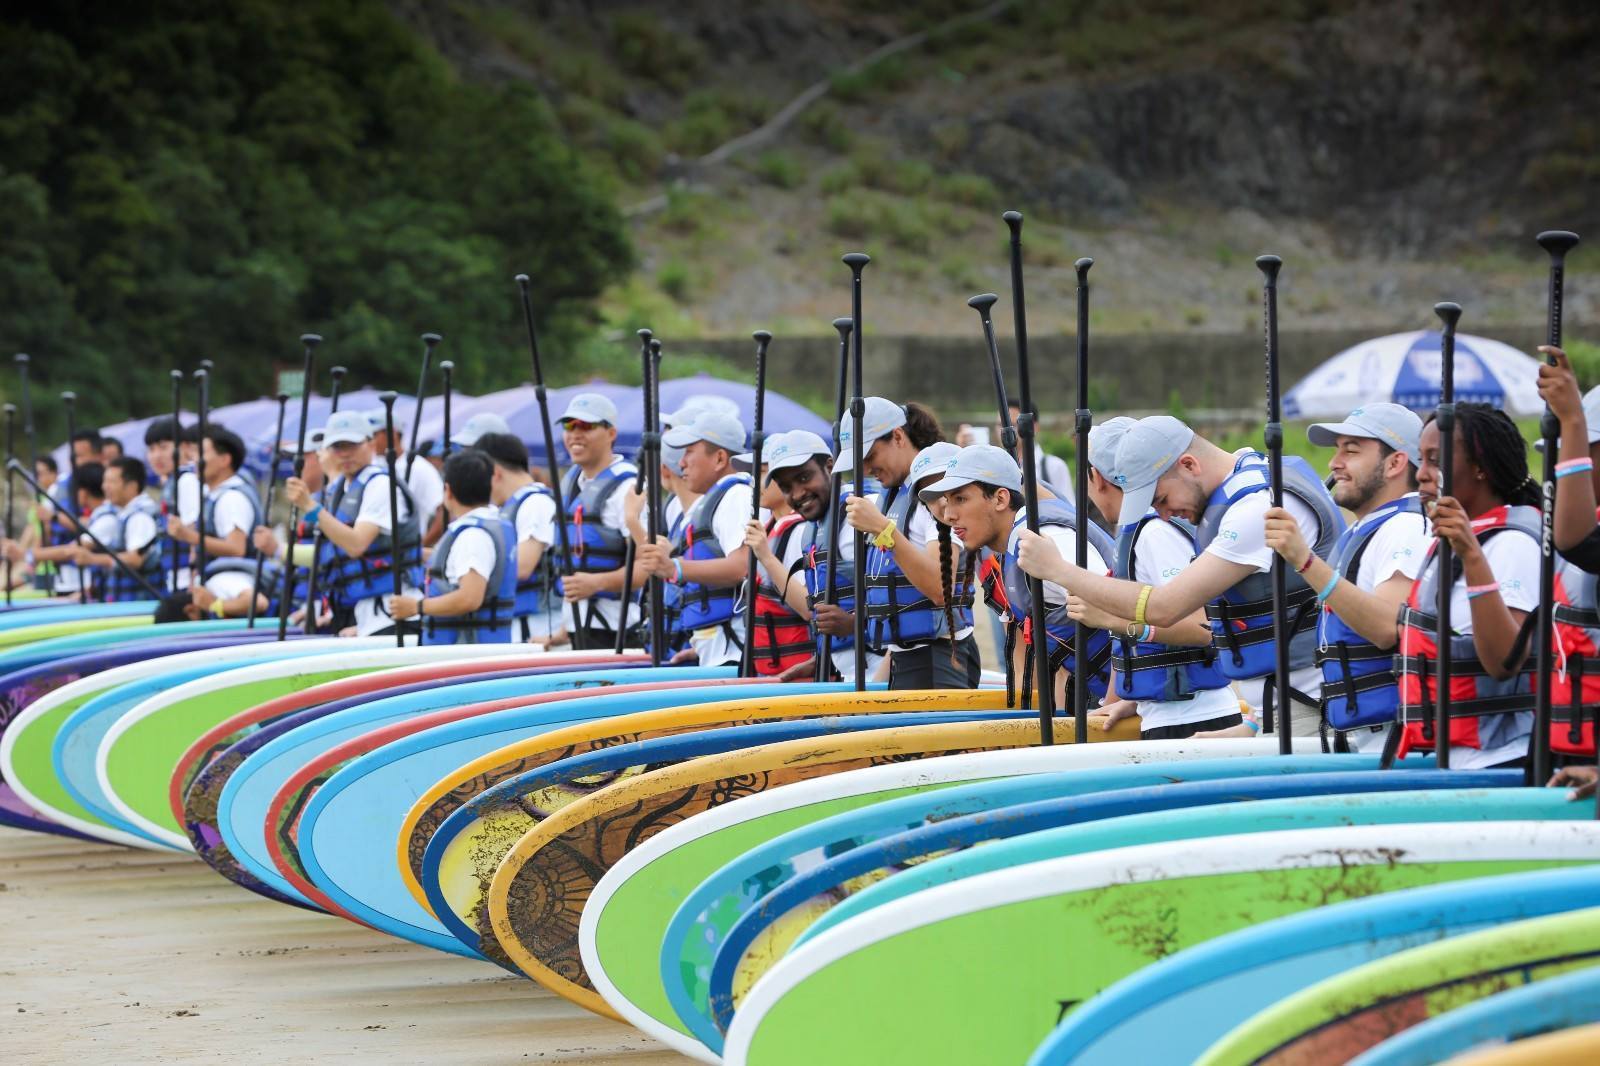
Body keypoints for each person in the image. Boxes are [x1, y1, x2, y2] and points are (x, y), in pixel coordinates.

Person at [1015, 415, 1344, 733]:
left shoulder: (1256, 508)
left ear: (1189, 465)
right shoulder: (1246, 475)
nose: (1162, 513)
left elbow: (1166, 607)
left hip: (1306, 705)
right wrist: (1249, 726)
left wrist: (1059, 570)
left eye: (1161, 499)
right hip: (1281, 706)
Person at [1259, 404, 1429, 751]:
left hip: (1398, 740)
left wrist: (1304, 560)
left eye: (1351, 451)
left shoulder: (1407, 528)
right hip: (1372, 736)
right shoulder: (1371, 528)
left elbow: (1387, 626)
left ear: (1395, 463)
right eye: (1337, 450)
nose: (1334, 463)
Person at [1393, 404, 1541, 769]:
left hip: (1504, 758)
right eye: (1421, 460)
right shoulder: (1446, 544)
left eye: (1436, 460)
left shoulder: (1512, 545)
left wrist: (1473, 557)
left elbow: (1505, 661)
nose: (1421, 474)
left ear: (1481, 468)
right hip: (1451, 757)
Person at [1074, 417, 1239, 739]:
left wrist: (1110, 619)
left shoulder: (1154, 533)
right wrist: (1131, 701)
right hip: (1166, 713)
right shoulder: (1136, 531)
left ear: (1096, 477)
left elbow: (1202, 628)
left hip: (1196, 718)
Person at [929, 443, 1108, 705]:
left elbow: (1122, 612)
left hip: (1138, 702)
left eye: (961, 499)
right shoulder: (1009, 550)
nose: (948, 514)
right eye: (946, 501)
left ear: (1001, 499)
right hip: (1107, 696)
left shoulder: (1045, 538)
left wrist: (1115, 702)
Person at [841, 398, 978, 689]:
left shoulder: (937, 490)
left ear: (898, 437)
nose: (866, 468)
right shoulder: (892, 497)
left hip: (941, 661)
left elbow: (941, 589)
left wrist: (882, 529)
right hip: (906, 660)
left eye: (870, 456)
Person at [755, 431, 882, 684]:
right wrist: (821, 660)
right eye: (786, 487)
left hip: (884, 678)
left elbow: (908, 599)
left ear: (830, 466)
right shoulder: (811, 531)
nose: (797, 494)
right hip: (847, 677)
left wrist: (854, 624)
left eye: (804, 478)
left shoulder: (865, 513)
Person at [283, 409, 423, 637]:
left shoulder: (380, 485)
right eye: (338, 447)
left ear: (371, 444)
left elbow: (357, 545)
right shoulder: (342, 489)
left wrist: (309, 506)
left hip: (393, 613)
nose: (346, 454)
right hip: (363, 614)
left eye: (353, 445)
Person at [639, 412, 752, 667]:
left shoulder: (736, 496)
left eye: (689, 452)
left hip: (734, 652)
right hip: (719, 649)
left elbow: (742, 566)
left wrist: (674, 568)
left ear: (720, 458)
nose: (681, 463)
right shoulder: (717, 499)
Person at [1534, 346, 1600, 760]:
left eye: (1578, 453)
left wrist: (1573, 420)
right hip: (1567, 749)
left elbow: (1578, 540)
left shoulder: (1578, 533)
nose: (1561, 469)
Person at [387, 449, 518, 645]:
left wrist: (416, 607)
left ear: (447, 491)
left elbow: (470, 598)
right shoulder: (488, 525)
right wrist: (417, 554)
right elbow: (460, 562)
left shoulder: (473, 536)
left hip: (466, 651)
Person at [553, 393, 639, 648]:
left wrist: (596, 583)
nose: (575, 434)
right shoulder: (571, 483)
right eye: (569, 426)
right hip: (577, 627)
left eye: (586, 426)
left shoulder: (628, 487)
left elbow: (647, 567)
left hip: (617, 630)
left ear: (611, 433)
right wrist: (564, 629)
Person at [742, 432, 815, 677]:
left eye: (762, 473)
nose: (754, 482)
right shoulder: (771, 529)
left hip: (799, 676)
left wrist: (766, 556)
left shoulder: (801, 530)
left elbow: (809, 608)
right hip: (770, 671)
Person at [476, 431, 560, 644]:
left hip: (539, 627)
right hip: (518, 624)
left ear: (495, 473)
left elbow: (522, 567)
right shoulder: (508, 508)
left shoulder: (536, 504)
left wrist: (471, 579)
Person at [167, 427, 260, 585]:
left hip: (234, 586)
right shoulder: (216, 496)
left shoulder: (231, 498)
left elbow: (236, 548)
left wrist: (188, 535)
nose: (194, 459)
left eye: (201, 452)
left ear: (224, 460)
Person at [75, 458, 163, 601]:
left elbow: (135, 559)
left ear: (132, 486)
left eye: (112, 482)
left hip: (140, 602)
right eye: (105, 481)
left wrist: (93, 559)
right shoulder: (124, 513)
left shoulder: (139, 516)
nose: (105, 487)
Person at [143, 416, 202, 590]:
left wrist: (194, 579)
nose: (156, 456)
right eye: (151, 449)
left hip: (187, 578)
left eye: (163, 447)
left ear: (184, 447)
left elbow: (194, 531)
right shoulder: (171, 481)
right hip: (174, 576)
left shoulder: (186, 481)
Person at [374, 410, 449, 546]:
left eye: (374, 435)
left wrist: (419, 548)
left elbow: (443, 513)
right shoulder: (373, 466)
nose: (370, 441)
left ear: (392, 433)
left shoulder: (420, 468)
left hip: (406, 552)